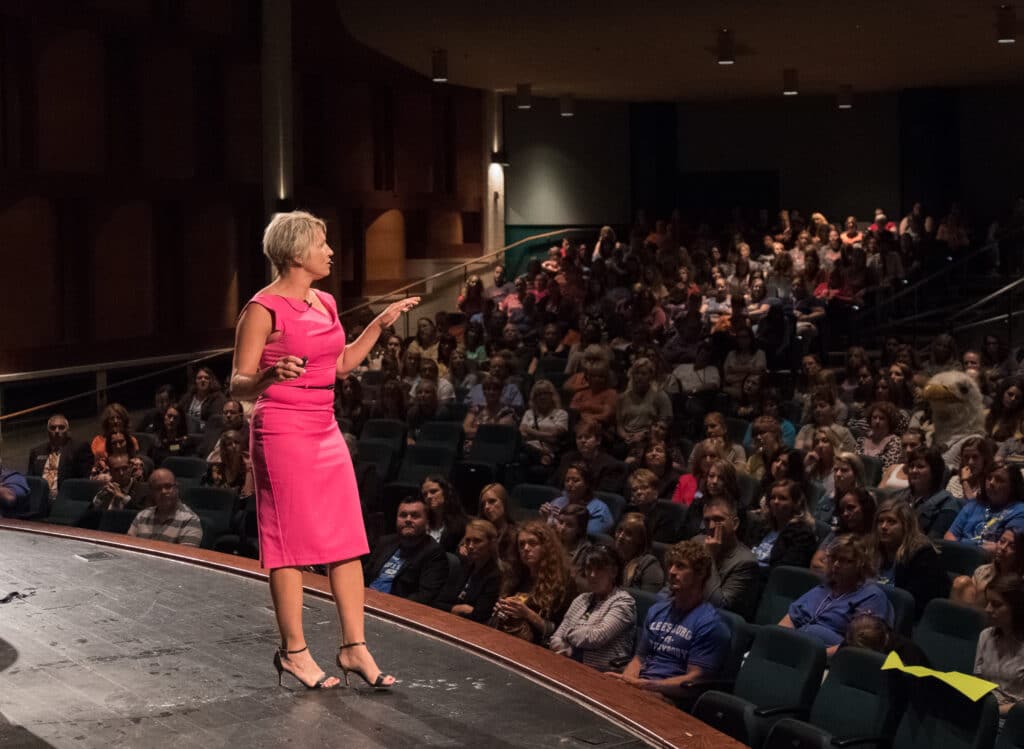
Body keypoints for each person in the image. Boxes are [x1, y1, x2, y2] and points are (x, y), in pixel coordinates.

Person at [231, 211, 417, 690]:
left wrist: (379, 324)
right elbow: (238, 384)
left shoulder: (326, 301)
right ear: (297, 252)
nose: (331, 252)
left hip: (324, 425)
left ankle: (354, 647)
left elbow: (342, 365)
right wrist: (270, 375)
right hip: (281, 427)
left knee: (346, 537)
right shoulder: (262, 309)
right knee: (289, 543)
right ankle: (294, 652)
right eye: (322, 243)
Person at [609, 540, 730, 698]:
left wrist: (645, 685)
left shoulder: (710, 625)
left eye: (680, 566)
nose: (672, 572)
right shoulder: (657, 611)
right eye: (671, 565)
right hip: (642, 685)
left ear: (700, 573)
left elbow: (694, 682)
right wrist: (628, 682)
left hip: (670, 696)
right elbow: (639, 658)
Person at [781, 535, 894, 655]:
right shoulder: (824, 587)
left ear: (860, 565)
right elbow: (790, 618)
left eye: (844, 560)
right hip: (796, 650)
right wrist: (781, 641)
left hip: (829, 659)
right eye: (833, 558)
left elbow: (860, 644)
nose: (836, 564)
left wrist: (815, 656)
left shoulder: (872, 596)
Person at [550, 545, 637, 672]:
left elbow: (596, 637)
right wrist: (568, 651)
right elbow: (555, 638)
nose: (592, 575)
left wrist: (567, 635)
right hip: (569, 664)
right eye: (589, 568)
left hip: (602, 673)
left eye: (599, 569)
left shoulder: (624, 602)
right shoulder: (581, 599)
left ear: (614, 572)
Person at [491, 520, 574, 645]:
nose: (526, 548)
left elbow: (559, 633)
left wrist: (527, 614)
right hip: (507, 639)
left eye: (532, 543)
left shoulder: (563, 584)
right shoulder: (516, 578)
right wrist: (502, 610)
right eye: (521, 544)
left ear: (546, 547)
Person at [363, 496, 448, 606]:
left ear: (427, 522)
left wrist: (388, 604)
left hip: (393, 608)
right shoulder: (385, 542)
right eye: (403, 515)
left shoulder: (434, 553)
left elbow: (425, 596)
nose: (408, 519)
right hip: (364, 599)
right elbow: (364, 573)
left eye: (415, 516)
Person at [874, 499, 950, 619]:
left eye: (891, 521)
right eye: (880, 521)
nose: (883, 526)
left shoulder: (922, 555)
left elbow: (915, 605)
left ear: (906, 526)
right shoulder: (873, 550)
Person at [701, 495, 760, 620]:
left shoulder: (746, 562)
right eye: (707, 520)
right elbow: (670, 588)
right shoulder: (696, 543)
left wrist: (709, 557)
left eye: (718, 519)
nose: (711, 526)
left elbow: (718, 605)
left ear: (735, 524)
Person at [975, 575, 1024, 715]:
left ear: (1016, 608)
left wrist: (993, 711)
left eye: (996, 604)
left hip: (1014, 718)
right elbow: (977, 681)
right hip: (986, 710)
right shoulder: (986, 635)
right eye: (988, 603)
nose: (988, 609)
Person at [945, 462, 1024, 550]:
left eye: (1000, 480)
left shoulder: (1019, 511)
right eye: (989, 478)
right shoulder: (974, 505)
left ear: (1013, 487)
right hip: (960, 553)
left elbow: (1007, 546)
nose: (991, 483)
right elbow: (950, 535)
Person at [745, 479, 819, 570]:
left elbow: (784, 571)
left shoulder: (802, 535)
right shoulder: (764, 527)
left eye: (782, 498)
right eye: (773, 498)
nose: (776, 502)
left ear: (796, 504)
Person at [893, 446, 963, 540]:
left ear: (934, 471)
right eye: (911, 466)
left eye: (920, 467)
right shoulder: (897, 496)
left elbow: (933, 541)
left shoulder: (947, 503)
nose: (914, 471)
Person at [441, 519, 503, 623]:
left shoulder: (495, 576)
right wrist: (456, 609)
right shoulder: (462, 566)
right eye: (467, 540)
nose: (470, 546)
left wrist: (451, 608)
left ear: (491, 543)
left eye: (477, 541)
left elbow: (479, 617)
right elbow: (438, 602)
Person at [127, 468, 202, 547]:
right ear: (152, 493)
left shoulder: (190, 520)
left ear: (176, 488)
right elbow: (128, 547)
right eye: (158, 488)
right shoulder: (142, 516)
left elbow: (185, 553)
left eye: (168, 486)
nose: (163, 491)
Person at [951, 529, 1024, 608]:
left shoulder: (1021, 581)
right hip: (977, 612)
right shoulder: (982, 571)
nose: (1003, 548)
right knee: (961, 582)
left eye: (1012, 546)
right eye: (1002, 541)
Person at [552, 419, 628, 494]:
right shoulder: (567, 459)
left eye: (587, 437)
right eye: (579, 437)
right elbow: (555, 486)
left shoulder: (611, 465)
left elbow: (603, 495)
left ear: (598, 440)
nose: (583, 441)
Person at [615, 357, 672, 452]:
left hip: (650, 438)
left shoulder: (659, 395)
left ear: (651, 376)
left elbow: (665, 422)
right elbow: (619, 425)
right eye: (636, 373)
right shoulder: (622, 398)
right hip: (626, 440)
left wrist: (645, 434)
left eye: (643, 374)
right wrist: (626, 436)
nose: (639, 377)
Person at [541, 462, 614, 536]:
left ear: (587, 484)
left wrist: (557, 523)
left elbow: (585, 536)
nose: (569, 484)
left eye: (575, 480)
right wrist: (545, 519)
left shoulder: (599, 510)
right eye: (567, 480)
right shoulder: (558, 502)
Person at [27, 413, 80, 503]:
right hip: (39, 499)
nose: (57, 431)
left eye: (61, 427)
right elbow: (30, 478)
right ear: (48, 431)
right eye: (53, 428)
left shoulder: (78, 449)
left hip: (65, 499)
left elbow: (83, 479)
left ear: (67, 430)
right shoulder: (36, 452)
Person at [520, 379, 569, 467]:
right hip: (528, 450)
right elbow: (522, 433)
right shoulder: (529, 413)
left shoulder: (561, 413)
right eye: (538, 394)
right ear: (534, 398)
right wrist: (547, 435)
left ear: (552, 395)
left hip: (549, 451)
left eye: (545, 393)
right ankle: (541, 455)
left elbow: (555, 436)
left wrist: (530, 430)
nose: (542, 397)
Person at [614, 512, 665, 593]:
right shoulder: (610, 556)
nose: (620, 537)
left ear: (640, 540)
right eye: (619, 530)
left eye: (628, 534)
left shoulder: (649, 564)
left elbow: (647, 599)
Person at [625, 468, 679, 543]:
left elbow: (657, 546)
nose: (639, 492)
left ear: (655, 491)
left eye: (644, 488)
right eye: (634, 490)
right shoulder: (627, 511)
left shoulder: (666, 517)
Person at [420, 475, 468, 555]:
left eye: (433, 491)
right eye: (425, 494)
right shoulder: (422, 523)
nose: (428, 496)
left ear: (446, 492)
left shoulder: (464, 524)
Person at [478, 483, 518, 565]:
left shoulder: (517, 535)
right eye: (483, 504)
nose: (486, 507)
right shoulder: (478, 531)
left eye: (492, 501)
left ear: (504, 502)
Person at [178, 367, 226, 434]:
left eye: (206, 378)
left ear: (211, 381)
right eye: (199, 378)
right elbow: (179, 412)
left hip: (208, 435)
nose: (203, 380)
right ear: (195, 381)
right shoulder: (188, 397)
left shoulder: (218, 398)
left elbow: (215, 422)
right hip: (188, 435)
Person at [552, 504, 594, 581]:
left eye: (569, 525)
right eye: (560, 522)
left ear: (580, 529)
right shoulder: (551, 541)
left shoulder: (586, 550)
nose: (562, 528)